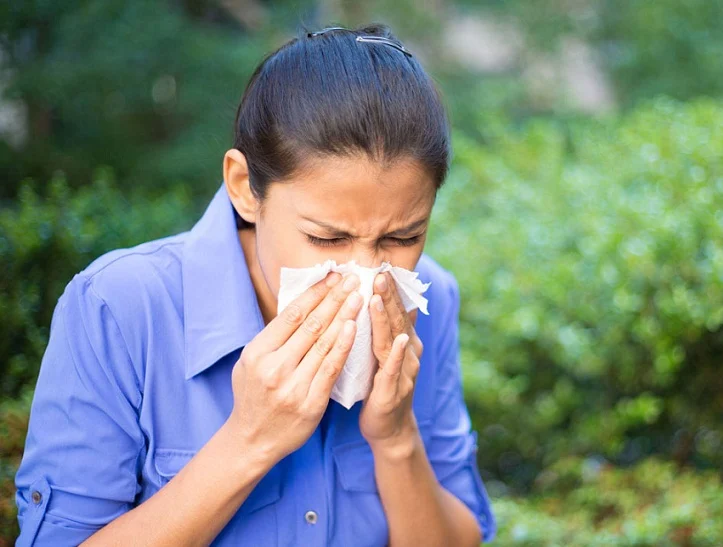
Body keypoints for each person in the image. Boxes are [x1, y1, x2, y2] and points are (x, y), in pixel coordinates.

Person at [13, 23, 496, 547]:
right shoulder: (119, 308)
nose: (366, 275)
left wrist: (397, 437)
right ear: (244, 188)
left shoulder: (429, 297)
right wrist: (249, 440)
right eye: (327, 238)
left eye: (403, 236)